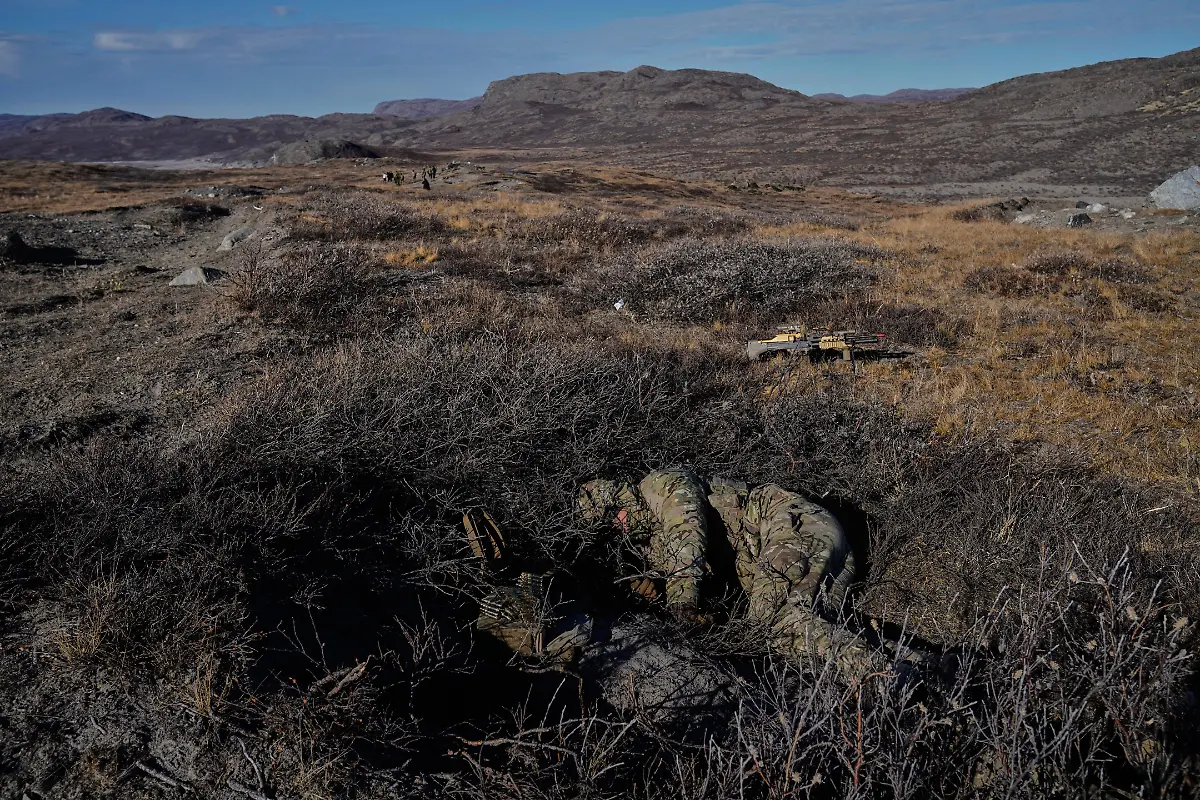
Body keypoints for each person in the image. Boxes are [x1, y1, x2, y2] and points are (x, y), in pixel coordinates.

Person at [577, 468, 883, 678]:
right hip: (806, 541)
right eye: (610, 527)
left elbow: (687, 535)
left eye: (614, 512)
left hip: (795, 526)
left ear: (622, 496)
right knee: (814, 628)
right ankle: (914, 668)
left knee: (772, 624)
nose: (619, 523)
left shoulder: (661, 486)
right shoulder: (646, 543)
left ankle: (875, 673)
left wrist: (681, 602)